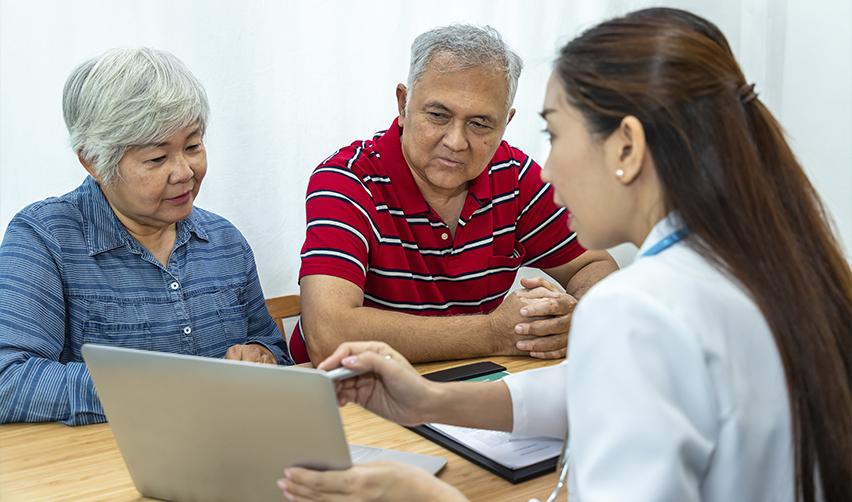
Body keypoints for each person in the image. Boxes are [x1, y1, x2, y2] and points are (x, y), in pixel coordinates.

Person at [277, 8, 851, 501]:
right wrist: (432, 398)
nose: (544, 169)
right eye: (439, 116)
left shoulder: (637, 308)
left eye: (554, 134)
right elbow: (608, 388)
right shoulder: (750, 264)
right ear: (404, 104)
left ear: (626, 146)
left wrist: (430, 495)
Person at [0, 48, 293, 426]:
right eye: (157, 159)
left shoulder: (224, 241)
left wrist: (261, 355)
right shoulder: (45, 238)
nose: (184, 172)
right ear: (93, 160)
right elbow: (9, 380)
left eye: (193, 146)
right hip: (102, 471)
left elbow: (272, 348)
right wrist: (168, 387)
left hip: (230, 455)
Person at [294, 25, 617, 364]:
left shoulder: (516, 175)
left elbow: (595, 265)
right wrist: (494, 333)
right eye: (438, 115)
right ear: (404, 104)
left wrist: (572, 317)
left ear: (506, 123)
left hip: (467, 388)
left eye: (480, 124)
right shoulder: (346, 180)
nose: (456, 141)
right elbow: (328, 334)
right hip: (349, 397)